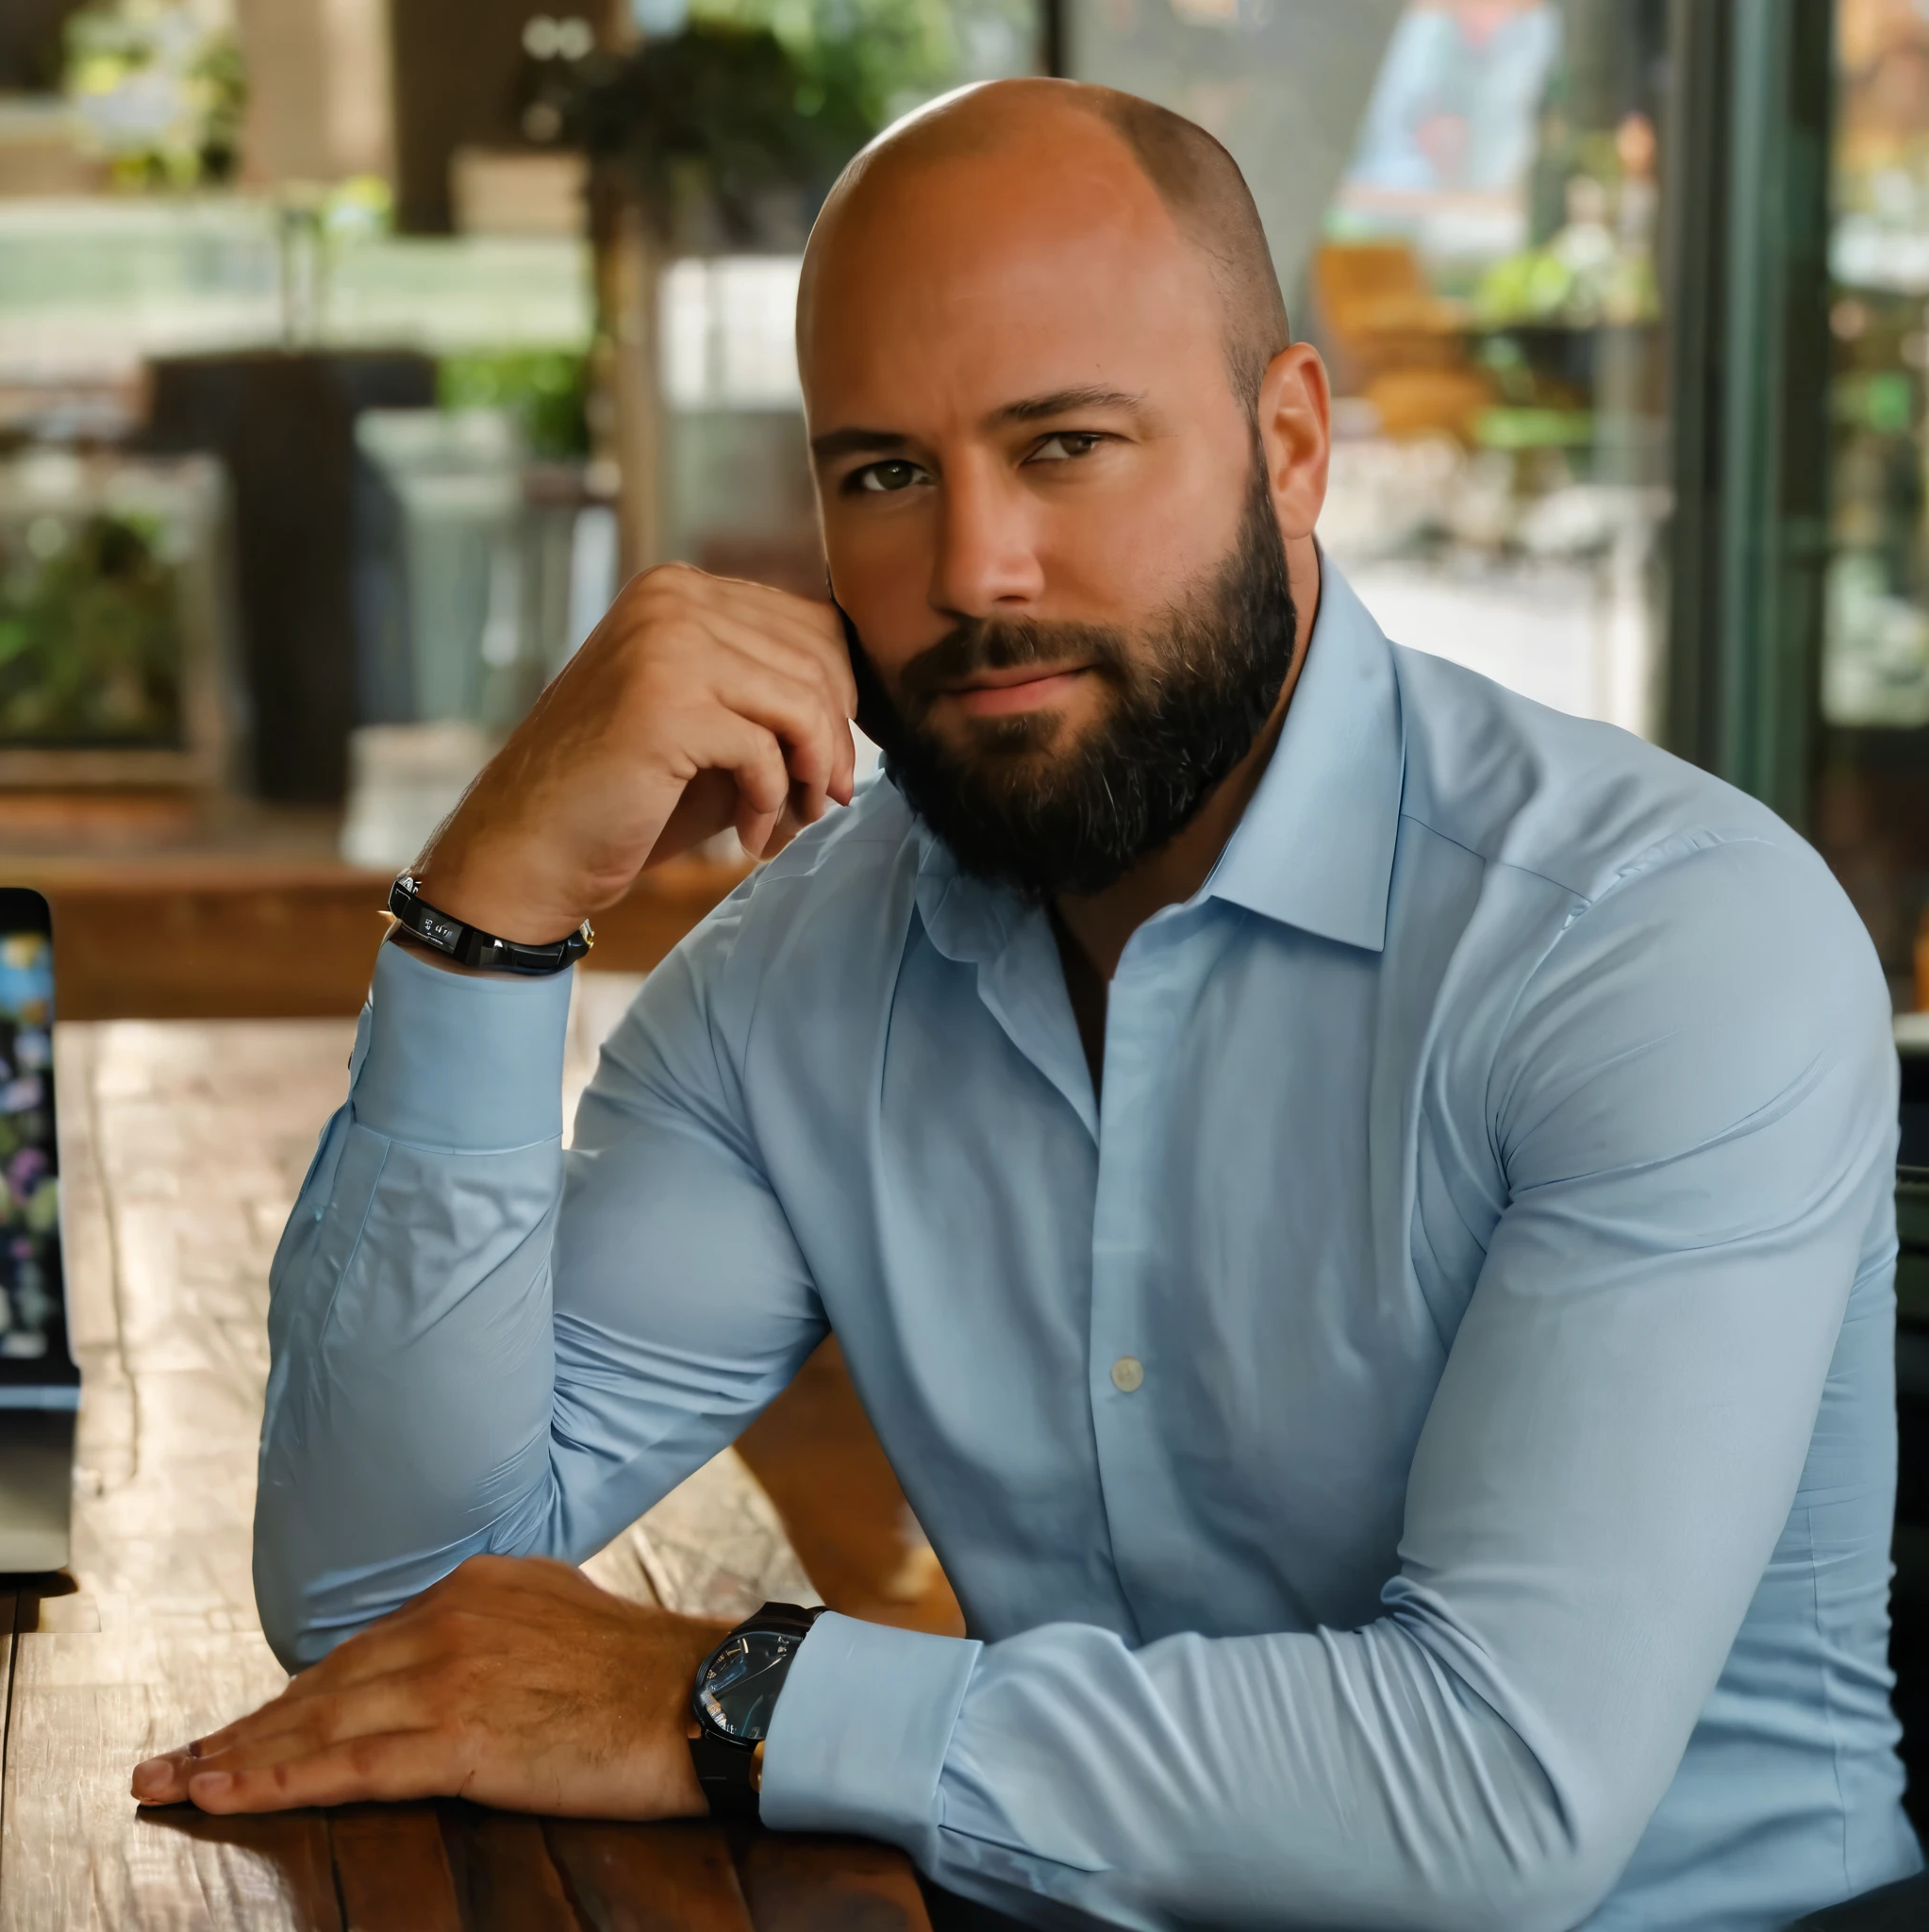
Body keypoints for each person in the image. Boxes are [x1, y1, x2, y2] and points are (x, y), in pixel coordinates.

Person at [130, 78, 1920, 1930]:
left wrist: (726, 1692)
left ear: (1289, 444)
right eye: (886, 473)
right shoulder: (803, 969)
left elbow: (1490, 1796)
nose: (972, 573)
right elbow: (382, 1607)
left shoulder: (1651, 938)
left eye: (1063, 445)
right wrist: (485, 909)